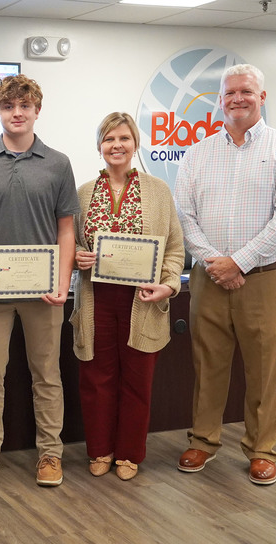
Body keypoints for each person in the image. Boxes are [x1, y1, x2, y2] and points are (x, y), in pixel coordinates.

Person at [174, 64, 276, 485]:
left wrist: (240, 262)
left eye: (246, 92)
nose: (237, 98)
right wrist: (218, 263)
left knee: (265, 367)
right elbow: (185, 216)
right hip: (209, 278)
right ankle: (203, 440)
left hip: (265, 279)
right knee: (207, 363)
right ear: (220, 99)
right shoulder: (198, 153)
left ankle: (262, 449)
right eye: (230, 92)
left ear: (262, 97)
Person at [0, 74, 78, 487]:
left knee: (47, 373)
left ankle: (50, 454)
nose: (17, 113)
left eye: (24, 106)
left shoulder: (58, 163)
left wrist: (64, 283)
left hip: (46, 291)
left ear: (36, 111)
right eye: (8, 107)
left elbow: (67, 229)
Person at [71, 112, 184, 481]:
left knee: (137, 380)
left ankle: (129, 454)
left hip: (142, 300)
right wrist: (76, 256)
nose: (116, 146)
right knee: (96, 379)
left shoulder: (158, 190)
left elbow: (175, 247)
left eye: (124, 138)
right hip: (95, 299)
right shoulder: (83, 193)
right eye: (108, 139)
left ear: (135, 143)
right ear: (99, 146)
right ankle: (100, 450)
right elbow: (69, 244)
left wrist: (168, 284)